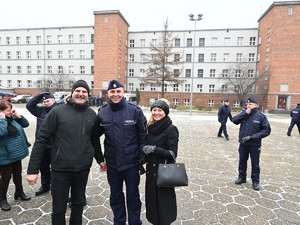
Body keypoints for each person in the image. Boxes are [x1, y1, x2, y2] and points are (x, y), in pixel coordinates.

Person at [27, 80, 106, 224]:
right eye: (78, 91)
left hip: (82, 169)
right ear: (72, 92)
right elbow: (41, 140)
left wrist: (100, 160)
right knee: (59, 208)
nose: (81, 94)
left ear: (88, 95)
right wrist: (33, 169)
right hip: (60, 169)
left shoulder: (91, 115)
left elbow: (94, 140)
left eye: (84, 92)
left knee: (78, 204)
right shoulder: (57, 112)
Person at [98, 80, 147, 225]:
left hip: (131, 163)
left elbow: (143, 135)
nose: (115, 94)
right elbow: (94, 136)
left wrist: (142, 157)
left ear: (123, 92)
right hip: (112, 164)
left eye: (118, 91)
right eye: (112, 92)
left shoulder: (134, 110)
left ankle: (134, 221)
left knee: (133, 196)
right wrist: (99, 158)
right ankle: (119, 221)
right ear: (107, 94)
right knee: (115, 195)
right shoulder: (102, 112)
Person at [142, 99, 179, 225]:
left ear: (166, 112)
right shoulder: (150, 127)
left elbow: (172, 154)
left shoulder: (171, 129)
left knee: (164, 203)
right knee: (152, 202)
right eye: (154, 110)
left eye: (160, 110)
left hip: (164, 172)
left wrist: (154, 149)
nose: (156, 112)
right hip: (151, 172)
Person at [232, 97, 271, 191]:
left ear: (256, 105)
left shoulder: (261, 117)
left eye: (251, 104)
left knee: (255, 164)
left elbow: (266, 130)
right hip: (243, 143)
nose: (248, 106)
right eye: (247, 104)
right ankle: (242, 177)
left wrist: (253, 136)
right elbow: (234, 120)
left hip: (255, 144)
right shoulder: (244, 114)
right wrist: (245, 113)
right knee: (242, 161)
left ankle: (255, 181)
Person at [0, 100, 31, 211]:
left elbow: (26, 124)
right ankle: (2, 199)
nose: (10, 112)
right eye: (8, 111)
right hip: (4, 155)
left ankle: (19, 192)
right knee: (6, 177)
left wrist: (17, 116)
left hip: (16, 153)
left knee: (18, 174)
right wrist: (2, 119)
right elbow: (1, 133)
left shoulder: (12, 119)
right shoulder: (2, 120)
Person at [26, 92, 58, 196]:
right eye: (43, 101)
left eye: (47, 101)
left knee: (55, 168)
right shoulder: (40, 111)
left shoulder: (59, 111)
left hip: (54, 145)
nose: (45, 103)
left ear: (54, 101)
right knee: (43, 167)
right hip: (42, 145)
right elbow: (29, 105)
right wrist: (39, 96)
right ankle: (45, 185)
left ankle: (55, 187)